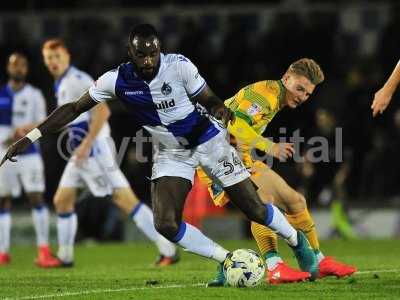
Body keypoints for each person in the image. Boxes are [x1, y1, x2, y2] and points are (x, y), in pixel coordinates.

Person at [1, 24, 318, 279]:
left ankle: (296, 241)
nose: (149, 60)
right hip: (171, 153)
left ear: (159, 50)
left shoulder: (179, 66)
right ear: (131, 53)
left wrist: (225, 117)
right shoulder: (117, 80)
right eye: (142, 55)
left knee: (256, 209)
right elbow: (72, 108)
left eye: (153, 53)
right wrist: (29, 137)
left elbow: (210, 100)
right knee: (164, 223)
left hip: (208, 141)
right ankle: (226, 260)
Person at [200, 58, 356, 285]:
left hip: (239, 156)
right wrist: (269, 146)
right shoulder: (264, 96)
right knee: (263, 203)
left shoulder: (275, 97)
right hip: (217, 158)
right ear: (286, 78)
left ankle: (318, 261)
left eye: (308, 93)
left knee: (295, 201)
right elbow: (234, 124)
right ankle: (275, 267)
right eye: (299, 88)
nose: (302, 96)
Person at [38, 38, 177, 267]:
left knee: (124, 200)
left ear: (67, 57)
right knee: (62, 200)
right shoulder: (62, 83)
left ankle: (168, 249)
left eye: (57, 56)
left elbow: (102, 112)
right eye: (49, 58)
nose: (53, 61)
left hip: (93, 151)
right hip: (81, 153)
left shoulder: (77, 80)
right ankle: (65, 257)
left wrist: (86, 143)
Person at [0, 53, 59, 267]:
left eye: (23, 65)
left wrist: (24, 129)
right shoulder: (0, 94)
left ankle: (43, 250)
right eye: (15, 64)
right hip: (3, 154)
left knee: (36, 198)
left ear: (27, 69)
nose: (19, 68)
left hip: (30, 153)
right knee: (2, 201)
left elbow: (44, 122)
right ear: (8, 67)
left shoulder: (34, 95)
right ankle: (2, 252)